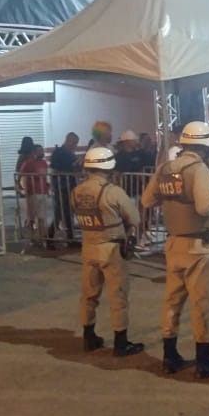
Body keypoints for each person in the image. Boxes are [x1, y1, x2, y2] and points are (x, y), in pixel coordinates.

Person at [142, 121, 209, 378]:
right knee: (202, 303)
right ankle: (204, 361)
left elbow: (147, 200)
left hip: (174, 244)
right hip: (198, 246)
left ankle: (169, 355)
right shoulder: (199, 169)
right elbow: (204, 207)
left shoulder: (165, 168)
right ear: (205, 146)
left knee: (172, 301)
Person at [71, 146, 145, 356]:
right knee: (117, 295)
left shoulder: (77, 191)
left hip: (88, 246)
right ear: (109, 167)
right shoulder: (113, 192)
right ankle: (121, 342)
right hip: (111, 248)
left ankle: (89, 337)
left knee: (89, 294)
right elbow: (135, 219)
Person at [49, 132, 81, 247]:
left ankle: (69, 238)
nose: (75, 146)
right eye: (74, 143)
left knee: (67, 213)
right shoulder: (58, 153)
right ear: (68, 140)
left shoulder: (70, 154)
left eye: (76, 143)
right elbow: (55, 170)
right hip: (61, 187)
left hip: (70, 186)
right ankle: (50, 237)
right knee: (60, 213)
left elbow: (75, 169)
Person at [19, 144, 49, 246]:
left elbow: (45, 176)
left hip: (43, 191)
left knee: (41, 216)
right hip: (33, 192)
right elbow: (22, 176)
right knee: (32, 216)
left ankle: (41, 237)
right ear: (34, 152)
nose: (42, 152)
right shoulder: (28, 163)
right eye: (39, 151)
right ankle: (32, 236)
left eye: (42, 150)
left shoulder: (44, 162)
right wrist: (24, 188)